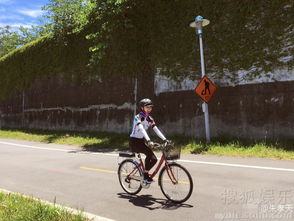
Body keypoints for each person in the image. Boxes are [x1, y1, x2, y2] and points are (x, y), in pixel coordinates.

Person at [129, 98, 169, 183]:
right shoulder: (137, 118)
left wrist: (165, 139)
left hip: (141, 141)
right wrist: (149, 140)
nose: (149, 109)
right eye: (147, 107)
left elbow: (156, 129)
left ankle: (145, 173)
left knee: (154, 159)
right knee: (149, 155)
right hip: (134, 142)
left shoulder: (149, 118)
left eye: (150, 107)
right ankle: (146, 176)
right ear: (142, 108)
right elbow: (142, 129)